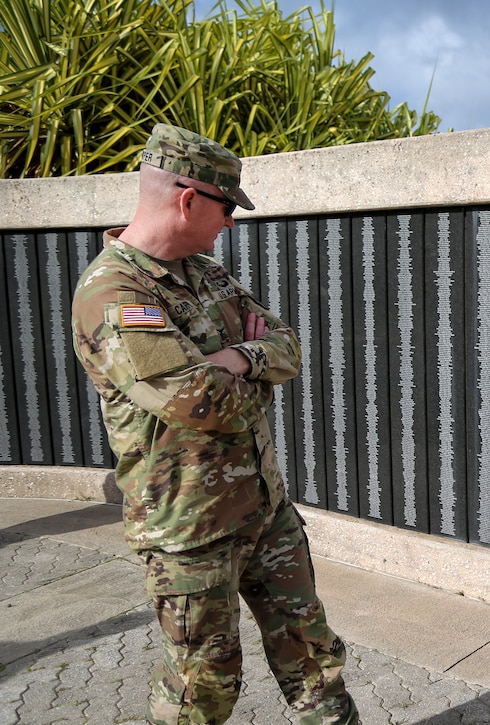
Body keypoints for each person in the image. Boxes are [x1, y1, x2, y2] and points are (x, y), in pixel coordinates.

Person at [71, 123, 359, 725]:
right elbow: (198, 402)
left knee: (312, 656)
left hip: (264, 508)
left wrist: (238, 357)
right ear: (187, 199)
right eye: (227, 208)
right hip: (191, 534)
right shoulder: (114, 293)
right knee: (204, 688)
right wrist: (238, 370)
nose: (230, 223)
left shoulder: (209, 275)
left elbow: (287, 347)